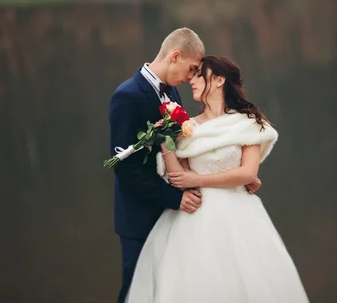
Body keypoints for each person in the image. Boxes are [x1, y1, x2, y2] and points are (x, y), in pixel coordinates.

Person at [125, 56, 310, 303]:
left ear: (220, 79)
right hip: (193, 214)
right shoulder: (187, 127)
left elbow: (248, 174)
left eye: (200, 74)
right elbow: (179, 177)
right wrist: (165, 137)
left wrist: (198, 178)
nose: (193, 79)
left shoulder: (246, 122)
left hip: (238, 215)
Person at [108, 30, 262, 303]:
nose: (192, 77)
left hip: (178, 218)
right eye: (191, 69)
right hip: (142, 216)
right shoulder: (128, 95)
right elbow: (126, 167)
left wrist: (235, 176)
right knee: (138, 292)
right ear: (175, 56)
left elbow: (184, 153)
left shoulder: (174, 93)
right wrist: (175, 198)